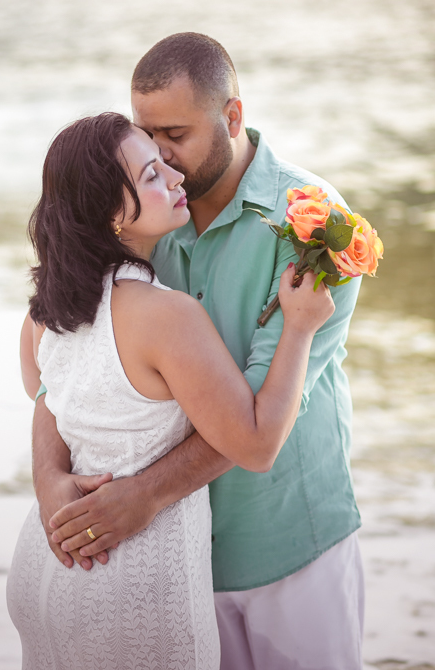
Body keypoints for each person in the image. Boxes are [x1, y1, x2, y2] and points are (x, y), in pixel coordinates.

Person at [28, 33, 366, 670]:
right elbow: (65, 374)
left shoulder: (316, 228)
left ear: (232, 116)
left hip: (286, 543)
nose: (160, 155)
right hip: (168, 561)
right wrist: (49, 479)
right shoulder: (141, 220)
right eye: (147, 135)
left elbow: (257, 424)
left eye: (175, 134)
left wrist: (146, 494)